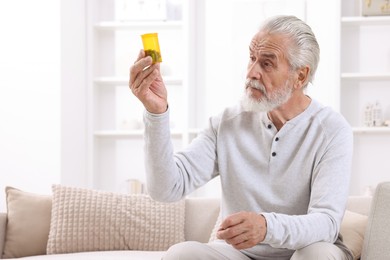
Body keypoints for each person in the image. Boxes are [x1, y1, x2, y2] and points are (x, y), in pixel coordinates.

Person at [129, 15, 353, 260]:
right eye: (251, 58)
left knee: (316, 255)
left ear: (300, 76)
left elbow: (326, 223)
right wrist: (156, 112)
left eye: (267, 64)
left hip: (306, 250)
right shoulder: (227, 123)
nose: (252, 72)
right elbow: (166, 189)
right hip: (241, 254)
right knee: (181, 255)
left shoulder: (332, 130)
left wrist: (267, 227)